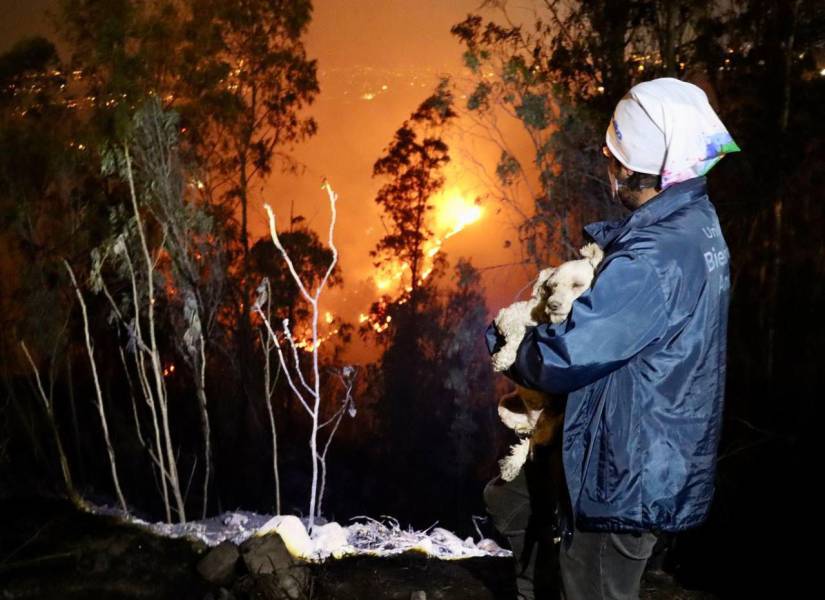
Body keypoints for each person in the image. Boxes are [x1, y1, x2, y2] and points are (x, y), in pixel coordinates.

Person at [484, 77, 739, 600]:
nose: (608, 164)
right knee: (511, 500)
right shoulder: (695, 220)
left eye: (612, 153)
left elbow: (565, 356)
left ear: (629, 168)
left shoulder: (652, 258)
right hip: (653, 446)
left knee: (595, 582)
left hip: (625, 469)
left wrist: (507, 341)